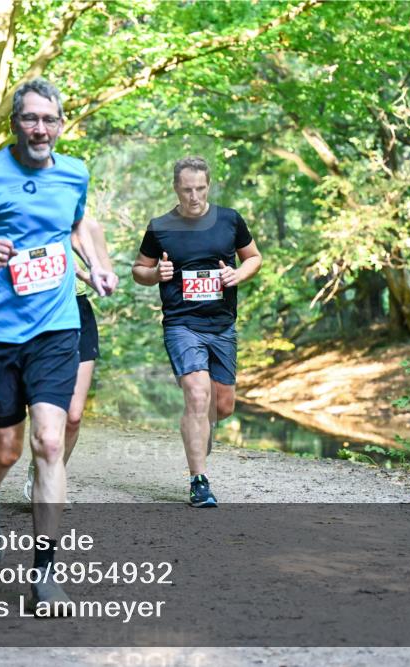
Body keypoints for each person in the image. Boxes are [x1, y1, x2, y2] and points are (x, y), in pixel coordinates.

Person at [0, 78, 117, 612]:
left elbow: (80, 222)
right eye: (30, 119)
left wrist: (98, 264)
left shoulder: (74, 172)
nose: (40, 128)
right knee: (7, 450)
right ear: (15, 122)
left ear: (61, 123)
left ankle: (45, 574)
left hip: (56, 327)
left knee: (49, 441)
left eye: (50, 119)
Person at [131, 156, 261, 508]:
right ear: (176, 188)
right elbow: (138, 270)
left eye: (200, 188)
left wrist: (239, 274)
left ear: (209, 185)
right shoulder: (160, 226)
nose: (194, 196)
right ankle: (199, 481)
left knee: (222, 406)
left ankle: (201, 429)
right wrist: (155, 274)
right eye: (187, 189)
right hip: (182, 324)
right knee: (197, 395)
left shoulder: (230, 219)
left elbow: (253, 257)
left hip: (222, 325)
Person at [23, 219, 114, 501]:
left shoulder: (90, 227)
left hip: (78, 313)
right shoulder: (30, 217)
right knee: (44, 412)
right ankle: (46, 477)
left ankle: (46, 473)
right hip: (38, 313)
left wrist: (87, 275)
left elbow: (105, 285)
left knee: (73, 416)